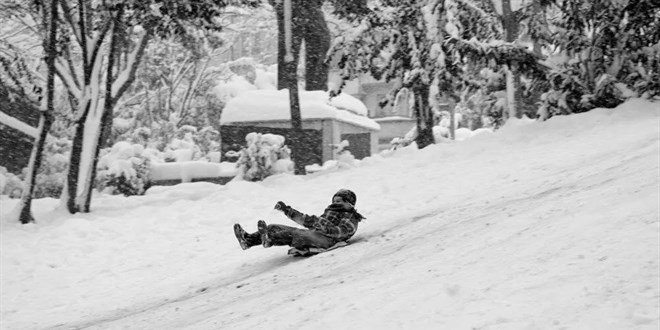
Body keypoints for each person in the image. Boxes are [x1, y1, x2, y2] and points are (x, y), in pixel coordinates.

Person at [233, 189, 365, 251]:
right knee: (273, 227)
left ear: (349, 203)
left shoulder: (351, 216)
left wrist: (323, 226)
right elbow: (306, 220)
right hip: (315, 234)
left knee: (297, 234)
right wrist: (286, 210)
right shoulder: (329, 212)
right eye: (334, 200)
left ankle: (269, 240)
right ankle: (248, 241)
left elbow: (342, 232)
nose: (336, 203)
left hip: (328, 241)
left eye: (340, 201)